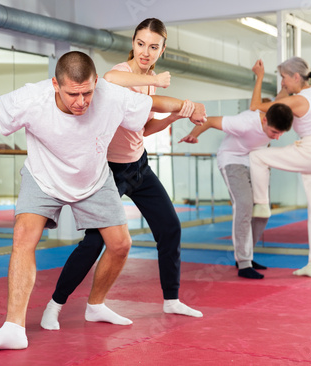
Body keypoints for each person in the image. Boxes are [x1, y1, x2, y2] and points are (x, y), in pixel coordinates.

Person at [0, 51, 207, 355]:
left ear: (96, 82)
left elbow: (153, 103)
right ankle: (14, 327)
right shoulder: (32, 98)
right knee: (23, 237)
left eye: (87, 92)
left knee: (120, 244)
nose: (81, 101)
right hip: (43, 177)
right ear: (56, 84)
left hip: (94, 178)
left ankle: (95, 305)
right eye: (72, 94)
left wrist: (188, 107)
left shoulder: (110, 95)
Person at [40, 18, 202, 332]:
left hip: (139, 166)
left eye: (153, 46)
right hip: (110, 172)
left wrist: (172, 116)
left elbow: (143, 126)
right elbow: (109, 78)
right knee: (95, 242)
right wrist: (170, 94)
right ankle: (55, 305)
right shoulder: (121, 74)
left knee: (170, 228)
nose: (146, 51)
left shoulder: (151, 78)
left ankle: (171, 299)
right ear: (133, 42)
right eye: (141, 44)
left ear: (162, 49)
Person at [179, 101, 293, 279]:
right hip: (232, 159)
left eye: (281, 133)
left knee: (262, 211)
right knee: (244, 205)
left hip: (255, 163)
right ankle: (244, 262)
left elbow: (260, 100)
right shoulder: (244, 123)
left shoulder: (271, 120)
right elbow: (208, 121)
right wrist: (193, 135)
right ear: (264, 120)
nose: (277, 137)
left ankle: (246, 255)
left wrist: (260, 75)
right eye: (274, 132)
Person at [248, 58, 311, 278]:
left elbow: (256, 108)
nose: (283, 82)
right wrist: (285, 89)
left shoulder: (299, 100)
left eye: (284, 77)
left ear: (296, 76)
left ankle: (261, 204)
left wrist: (259, 77)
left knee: (257, 156)